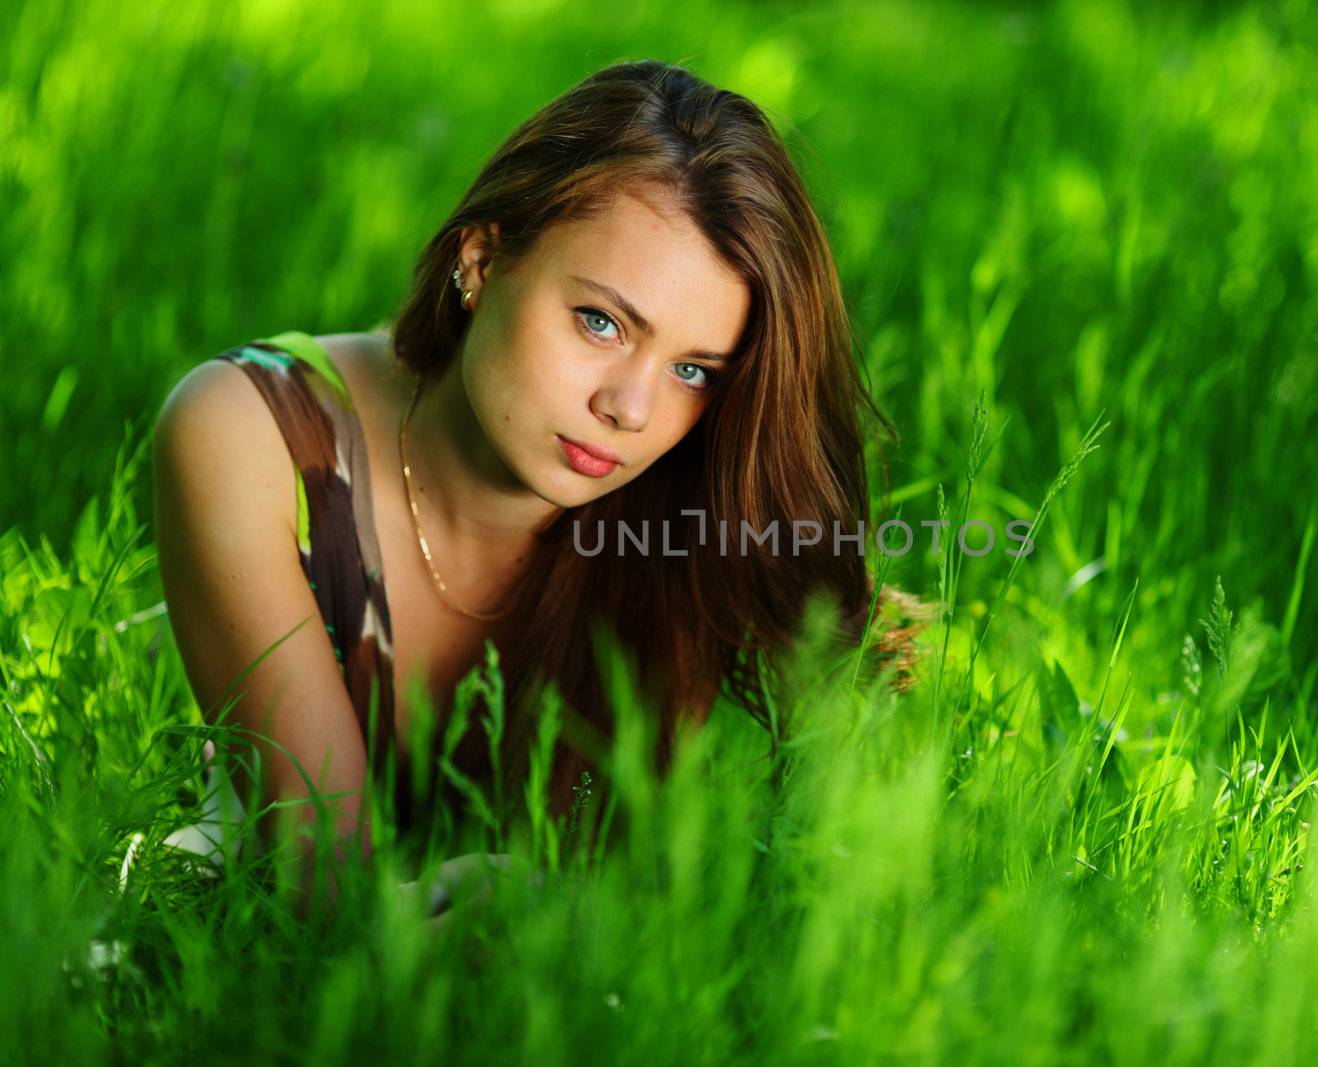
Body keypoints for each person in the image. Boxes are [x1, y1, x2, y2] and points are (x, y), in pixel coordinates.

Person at [151, 58, 934, 911]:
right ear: (482, 260)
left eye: (694, 370)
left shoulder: (695, 512)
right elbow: (322, 887)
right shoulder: (251, 433)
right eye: (600, 321)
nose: (630, 408)